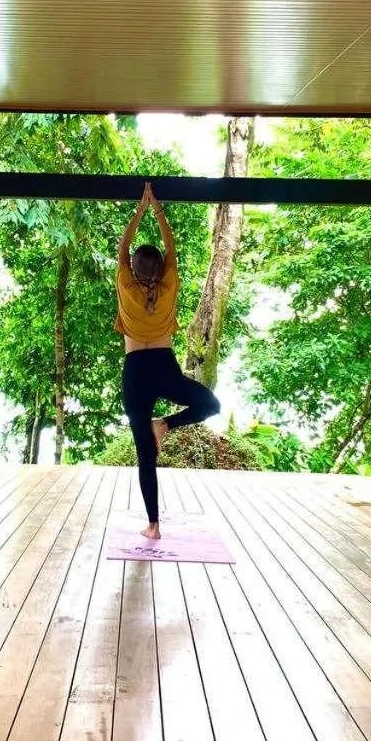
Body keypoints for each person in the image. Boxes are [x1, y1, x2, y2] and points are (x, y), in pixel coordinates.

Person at [116, 183, 220, 539]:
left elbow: (123, 249)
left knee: (145, 454)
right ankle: (168, 425)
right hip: (163, 366)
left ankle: (153, 525)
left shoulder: (126, 287)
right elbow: (170, 247)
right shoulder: (168, 285)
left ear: (132, 269)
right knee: (211, 404)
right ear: (161, 270)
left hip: (135, 374)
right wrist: (155, 210)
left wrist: (138, 210)